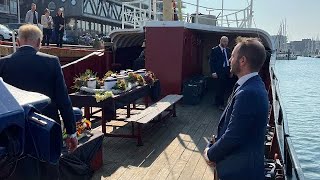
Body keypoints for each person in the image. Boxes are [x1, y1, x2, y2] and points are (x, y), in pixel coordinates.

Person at [0, 24, 77, 152]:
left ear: (18, 42)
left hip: (14, 133)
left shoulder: (3, 64)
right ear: (39, 42)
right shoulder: (52, 62)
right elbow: (63, 100)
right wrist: (71, 132)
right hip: (47, 128)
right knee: (50, 167)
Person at [203, 37, 269, 180]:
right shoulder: (250, 85)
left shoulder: (248, 93)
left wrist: (210, 153)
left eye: (232, 56)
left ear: (242, 61)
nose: (230, 60)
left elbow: (233, 136)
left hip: (239, 171)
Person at [209, 36, 232, 110]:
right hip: (219, 72)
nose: (225, 43)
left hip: (226, 71)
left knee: (224, 88)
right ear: (220, 41)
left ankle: (217, 102)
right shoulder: (215, 50)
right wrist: (213, 72)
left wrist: (231, 71)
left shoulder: (228, 50)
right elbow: (211, 62)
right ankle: (220, 104)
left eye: (227, 42)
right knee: (219, 88)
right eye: (224, 41)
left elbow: (230, 61)